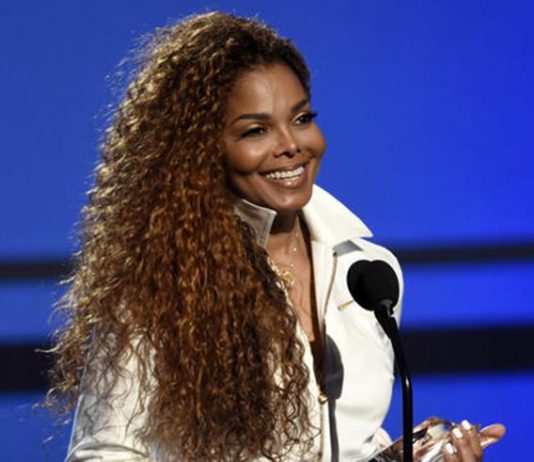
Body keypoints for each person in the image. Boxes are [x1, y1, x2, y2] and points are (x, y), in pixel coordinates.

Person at [48, 12, 503, 462]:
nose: (291, 145)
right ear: (199, 150)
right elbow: (100, 454)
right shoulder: (155, 287)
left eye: (301, 118)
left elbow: (353, 439)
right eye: (256, 130)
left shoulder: (368, 271)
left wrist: (394, 458)